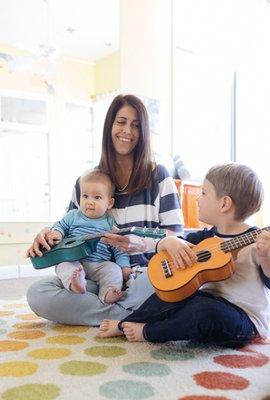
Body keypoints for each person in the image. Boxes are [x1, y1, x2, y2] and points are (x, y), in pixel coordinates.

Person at [26, 94, 184, 326]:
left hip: (143, 276)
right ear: (110, 125)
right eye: (121, 122)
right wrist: (48, 235)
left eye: (136, 125)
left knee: (162, 287)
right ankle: (135, 316)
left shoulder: (159, 176)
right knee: (38, 293)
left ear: (144, 132)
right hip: (93, 276)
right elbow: (69, 228)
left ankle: (113, 312)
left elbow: (176, 238)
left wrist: (142, 244)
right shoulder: (87, 181)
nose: (127, 131)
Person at [98, 163, 270, 347]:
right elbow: (177, 242)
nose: (198, 199)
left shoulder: (259, 242)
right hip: (207, 301)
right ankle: (127, 322)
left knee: (203, 310)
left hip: (244, 321)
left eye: (203, 193)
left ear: (224, 203)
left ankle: (149, 331)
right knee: (172, 294)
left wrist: (265, 257)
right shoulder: (207, 237)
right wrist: (155, 242)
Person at [45, 169, 131, 304]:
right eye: (85, 196)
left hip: (99, 265)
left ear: (109, 203)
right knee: (63, 264)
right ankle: (75, 284)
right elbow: (60, 226)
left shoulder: (110, 223)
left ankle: (108, 292)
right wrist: (57, 233)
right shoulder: (73, 215)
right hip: (73, 260)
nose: (89, 202)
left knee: (113, 270)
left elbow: (119, 247)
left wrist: (124, 267)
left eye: (97, 197)